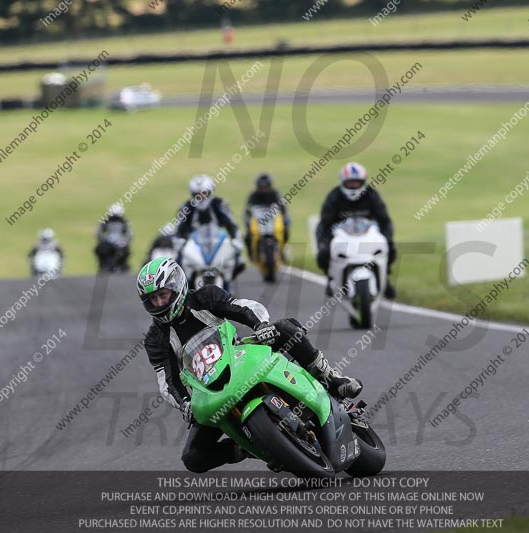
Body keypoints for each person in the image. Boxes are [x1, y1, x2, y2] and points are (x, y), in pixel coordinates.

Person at [137, 257, 362, 473]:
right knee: (193, 458)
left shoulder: (204, 297)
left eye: (163, 295)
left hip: (241, 356)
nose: (159, 303)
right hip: (210, 391)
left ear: (177, 287)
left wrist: (261, 325)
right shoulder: (155, 339)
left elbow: (244, 307)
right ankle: (248, 447)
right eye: (153, 300)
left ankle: (331, 380)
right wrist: (184, 403)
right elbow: (167, 382)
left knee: (286, 328)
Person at [315, 162, 397, 299]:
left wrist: (386, 237)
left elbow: (384, 219)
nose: (353, 187)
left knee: (390, 247)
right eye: (350, 183)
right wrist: (327, 240)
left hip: (367, 235)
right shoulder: (334, 197)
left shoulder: (371, 195)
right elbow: (325, 223)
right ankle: (331, 278)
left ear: (363, 182)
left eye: (356, 183)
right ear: (343, 182)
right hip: (341, 236)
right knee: (324, 253)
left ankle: (385, 278)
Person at [175, 175, 245, 276]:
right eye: (197, 195)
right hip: (194, 245)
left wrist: (236, 240)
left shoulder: (219, 204)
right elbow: (179, 229)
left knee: (235, 260)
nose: (201, 198)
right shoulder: (187, 207)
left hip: (216, 242)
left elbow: (232, 225)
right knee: (178, 262)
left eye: (204, 194)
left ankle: (227, 286)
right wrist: (179, 242)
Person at [243, 172, 290, 260]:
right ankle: (251, 253)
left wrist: (285, 218)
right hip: (258, 221)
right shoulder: (253, 195)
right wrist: (247, 222)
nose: (263, 189)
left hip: (272, 220)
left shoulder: (275, 194)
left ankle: (282, 250)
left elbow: (283, 208)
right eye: (261, 187)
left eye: (266, 186)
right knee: (248, 236)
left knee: (285, 232)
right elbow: (247, 211)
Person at [95, 203, 133, 273]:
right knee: (100, 250)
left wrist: (124, 242)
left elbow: (129, 235)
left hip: (120, 243)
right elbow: (99, 233)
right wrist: (103, 240)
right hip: (108, 243)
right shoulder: (105, 222)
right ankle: (103, 266)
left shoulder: (124, 223)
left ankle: (122, 266)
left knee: (125, 251)